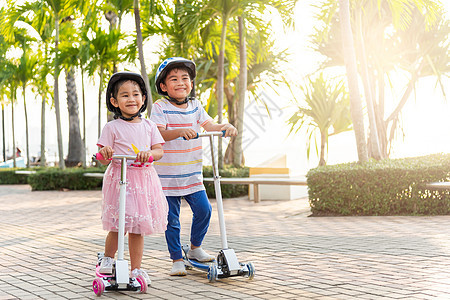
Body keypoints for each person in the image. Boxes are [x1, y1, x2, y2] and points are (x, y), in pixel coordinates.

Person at [150, 57, 238, 276]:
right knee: (172, 220)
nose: (181, 83)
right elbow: (158, 133)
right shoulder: (160, 107)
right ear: (163, 86)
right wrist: (179, 131)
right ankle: (177, 259)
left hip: (192, 174)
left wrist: (225, 126)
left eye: (185, 78)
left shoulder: (196, 105)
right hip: (167, 176)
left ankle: (195, 248)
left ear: (190, 83)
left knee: (204, 210)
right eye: (174, 79)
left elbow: (210, 126)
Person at [96, 71, 169, 283]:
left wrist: (149, 154)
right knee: (118, 225)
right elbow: (101, 156)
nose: (131, 99)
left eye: (136, 94)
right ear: (114, 101)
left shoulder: (149, 126)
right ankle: (108, 259)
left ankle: (136, 269)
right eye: (125, 95)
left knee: (138, 227)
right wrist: (106, 153)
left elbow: (159, 151)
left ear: (143, 99)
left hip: (143, 180)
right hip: (120, 180)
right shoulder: (112, 127)